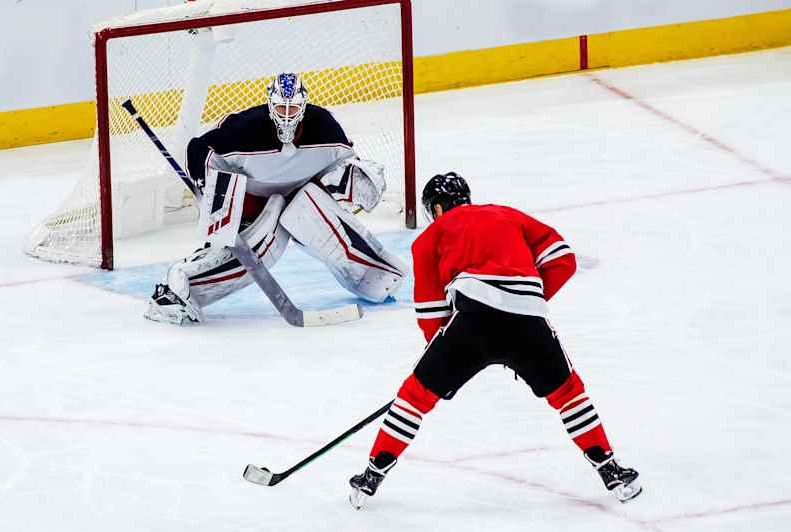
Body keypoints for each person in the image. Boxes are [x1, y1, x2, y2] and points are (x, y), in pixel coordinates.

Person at [348, 172, 641, 508]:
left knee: (414, 397)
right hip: (528, 319)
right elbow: (563, 259)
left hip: (471, 322)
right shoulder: (506, 214)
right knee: (568, 394)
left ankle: (372, 475)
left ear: (438, 208)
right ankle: (611, 471)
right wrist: (529, 301)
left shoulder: (430, 237)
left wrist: (440, 368)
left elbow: (431, 312)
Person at [145, 73, 407, 324]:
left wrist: (358, 180)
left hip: (300, 193)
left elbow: (346, 164)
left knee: (309, 205)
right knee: (260, 251)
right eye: (281, 109)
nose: (286, 116)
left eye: (292, 109)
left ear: (303, 107)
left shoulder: (323, 125)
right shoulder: (244, 128)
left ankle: (374, 275)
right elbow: (198, 148)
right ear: (270, 106)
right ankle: (178, 289)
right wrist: (213, 195)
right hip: (253, 202)